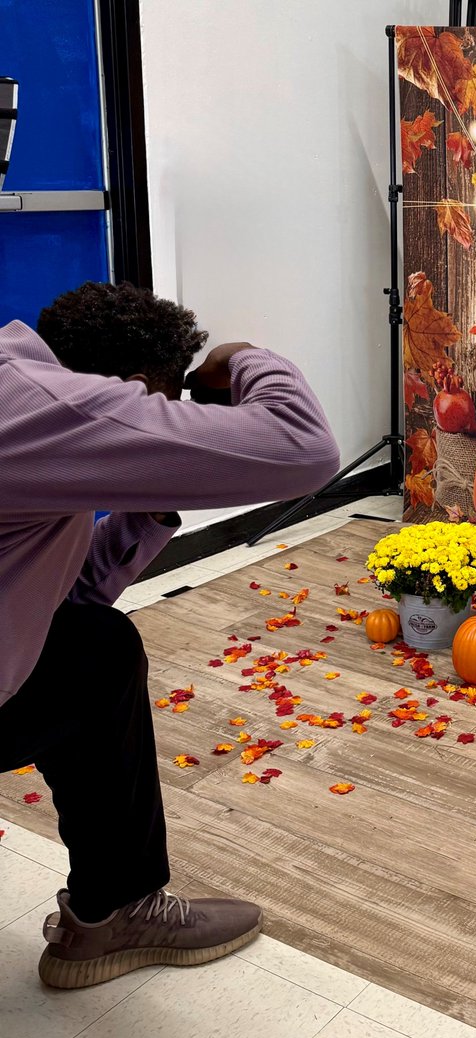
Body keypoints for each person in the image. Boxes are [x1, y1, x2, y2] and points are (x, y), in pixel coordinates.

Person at [0, 281, 340, 988]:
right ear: (127, 390)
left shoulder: (25, 389)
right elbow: (306, 448)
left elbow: (65, 598)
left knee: (90, 645)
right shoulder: (56, 409)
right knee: (99, 651)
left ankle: (113, 908)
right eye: (160, 404)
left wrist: (150, 504)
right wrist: (247, 358)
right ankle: (117, 911)